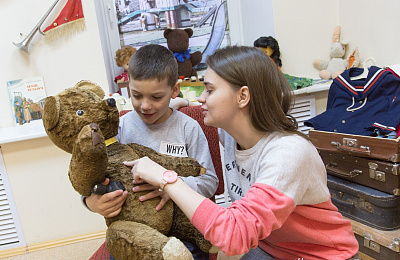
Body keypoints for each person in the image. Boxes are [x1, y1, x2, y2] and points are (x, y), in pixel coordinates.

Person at [126, 46, 360, 259]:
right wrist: (170, 105)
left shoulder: (288, 154)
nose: (201, 97)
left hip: (322, 255)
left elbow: (233, 235)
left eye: (209, 90)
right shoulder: (231, 135)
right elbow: (196, 108)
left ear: (243, 96)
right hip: (272, 247)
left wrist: (166, 179)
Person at [84, 44, 218, 260]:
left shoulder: (188, 128)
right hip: (134, 229)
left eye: (156, 97)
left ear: (175, 90)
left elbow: (210, 181)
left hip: (182, 230)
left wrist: (173, 188)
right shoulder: (118, 129)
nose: (145, 105)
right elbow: (92, 176)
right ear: (128, 86)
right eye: (136, 95)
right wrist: (91, 202)